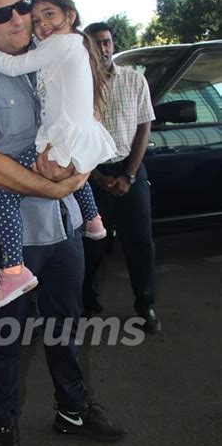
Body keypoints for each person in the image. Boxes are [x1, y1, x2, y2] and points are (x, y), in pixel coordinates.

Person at [0, 0, 126, 446]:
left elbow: (83, 124)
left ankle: (73, 410)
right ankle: (1, 427)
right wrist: (53, 186)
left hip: (62, 225)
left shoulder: (45, 59)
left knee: (65, 327)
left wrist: (77, 179)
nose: (19, 17)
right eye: (3, 12)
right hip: (7, 240)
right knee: (6, 338)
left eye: (23, 4)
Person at [0, 0, 117, 309]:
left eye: (49, 14)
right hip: (68, 138)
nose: (40, 24)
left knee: (3, 193)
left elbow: (11, 66)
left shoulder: (63, 45)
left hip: (61, 141)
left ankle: (13, 270)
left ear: (70, 16)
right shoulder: (64, 46)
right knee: (73, 175)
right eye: (36, 19)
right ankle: (93, 220)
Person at [82, 22, 161, 334]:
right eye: (96, 43)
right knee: (91, 246)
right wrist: (97, 177)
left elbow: (144, 128)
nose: (103, 48)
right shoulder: (78, 86)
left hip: (130, 170)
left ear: (113, 45)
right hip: (91, 173)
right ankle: (88, 305)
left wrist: (128, 175)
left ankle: (146, 306)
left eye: (107, 42)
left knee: (140, 243)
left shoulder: (134, 80)